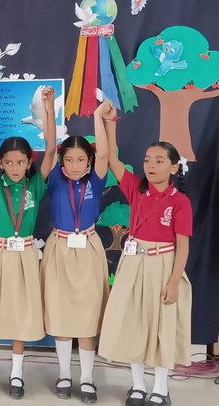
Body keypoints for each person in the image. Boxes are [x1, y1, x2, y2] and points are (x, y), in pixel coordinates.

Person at [0, 87, 56, 399]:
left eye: (21, 162)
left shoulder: (36, 186)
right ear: (0, 163)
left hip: (26, 255)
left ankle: (16, 373)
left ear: (29, 163)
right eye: (9, 163)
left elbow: (52, 151)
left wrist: (48, 110)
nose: (15, 168)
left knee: (21, 312)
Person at [97, 100, 192, 406]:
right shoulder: (136, 188)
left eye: (159, 161)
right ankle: (137, 385)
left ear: (174, 167)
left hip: (163, 264)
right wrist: (110, 123)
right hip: (133, 262)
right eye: (147, 160)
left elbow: (183, 245)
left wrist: (174, 281)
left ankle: (160, 388)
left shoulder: (180, 202)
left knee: (162, 326)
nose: (151, 166)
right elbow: (112, 159)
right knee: (133, 324)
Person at [39, 102, 110, 404]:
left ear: (89, 161)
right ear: (62, 161)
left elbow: (104, 154)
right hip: (60, 246)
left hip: (89, 247)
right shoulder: (56, 177)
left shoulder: (96, 178)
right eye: (69, 159)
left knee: (87, 315)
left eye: (81, 159)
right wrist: (47, 108)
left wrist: (97, 117)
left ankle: (87, 378)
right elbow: (48, 147)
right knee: (61, 312)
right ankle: (65, 374)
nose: (75, 165)